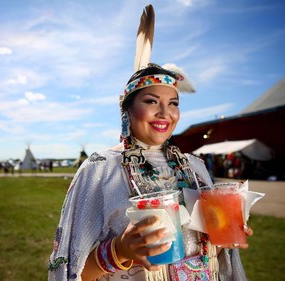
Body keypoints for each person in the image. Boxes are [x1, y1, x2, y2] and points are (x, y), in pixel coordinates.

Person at [48, 5, 253, 281]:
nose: (165, 113)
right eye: (151, 102)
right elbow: (68, 271)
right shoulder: (100, 170)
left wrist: (222, 238)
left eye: (173, 103)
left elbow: (213, 255)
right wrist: (119, 251)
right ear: (128, 111)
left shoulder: (195, 168)